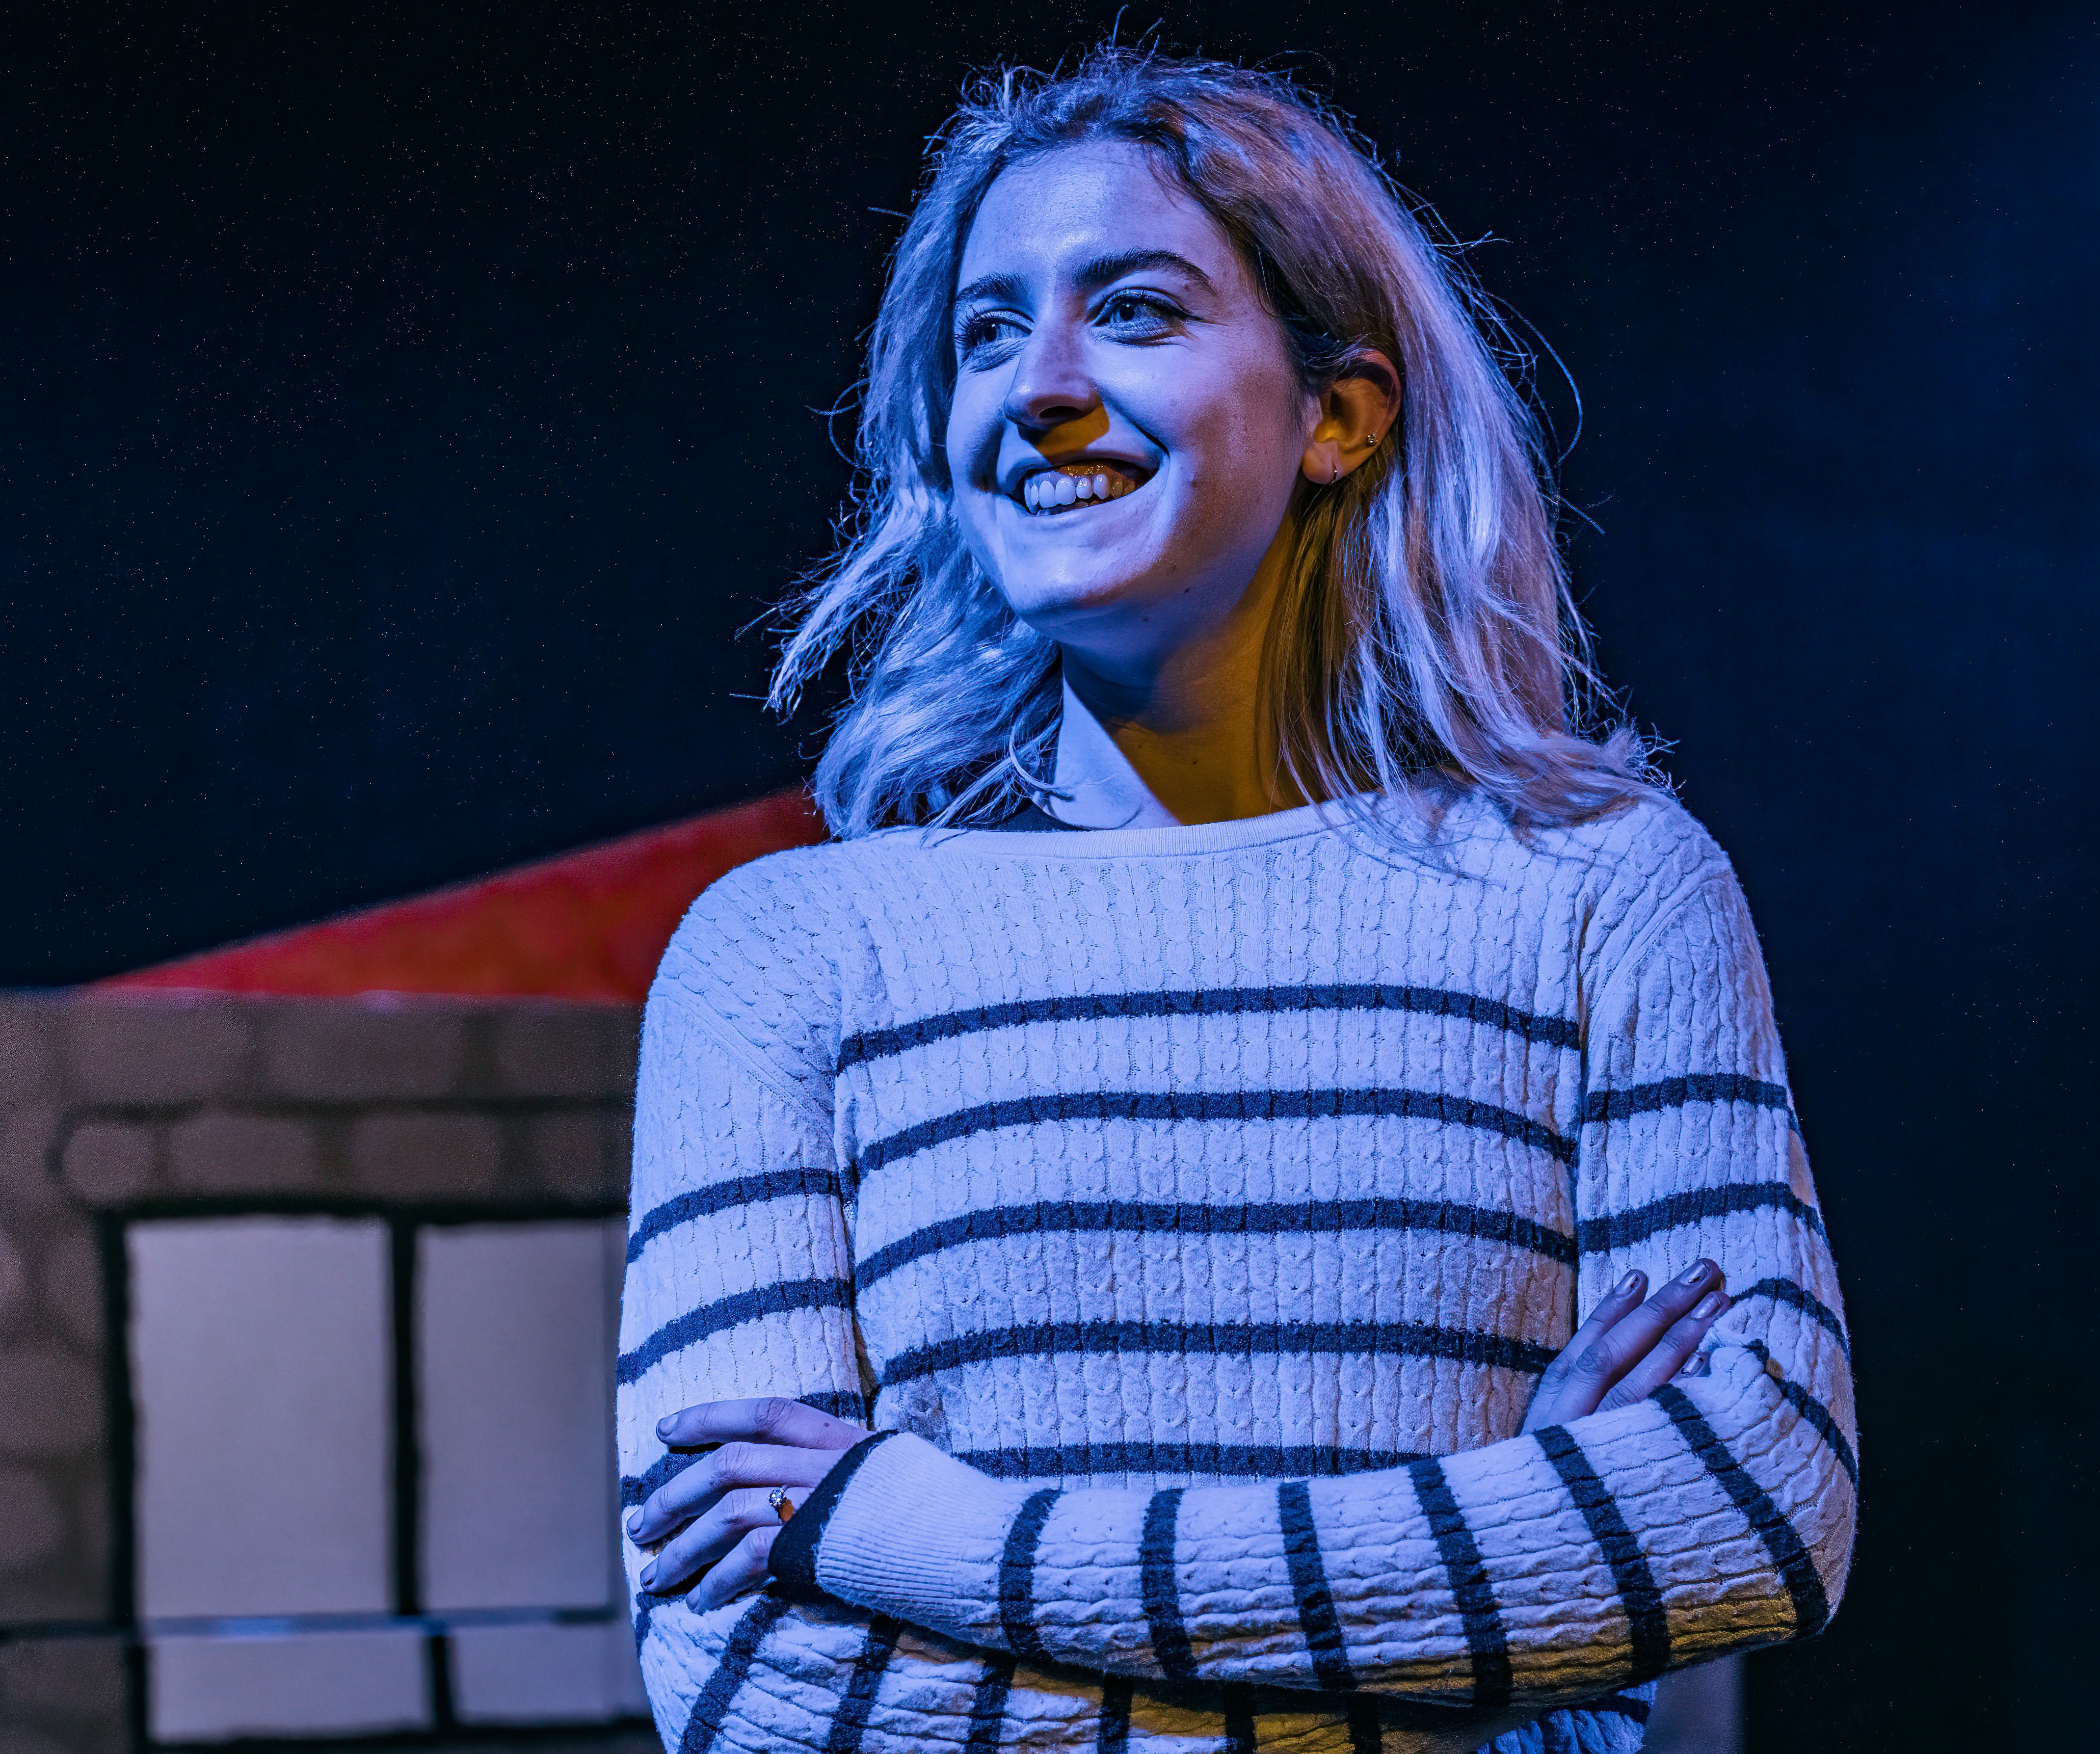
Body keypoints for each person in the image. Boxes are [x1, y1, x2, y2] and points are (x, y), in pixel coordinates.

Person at [616, 49, 1854, 1754]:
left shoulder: (1601, 894)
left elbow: (1752, 1517)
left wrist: (918, 1531)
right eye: (985, 333)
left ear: (1340, 413)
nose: (1038, 387)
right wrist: (1494, 1624)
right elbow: (754, 1689)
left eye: (1132, 312)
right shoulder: (787, 956)